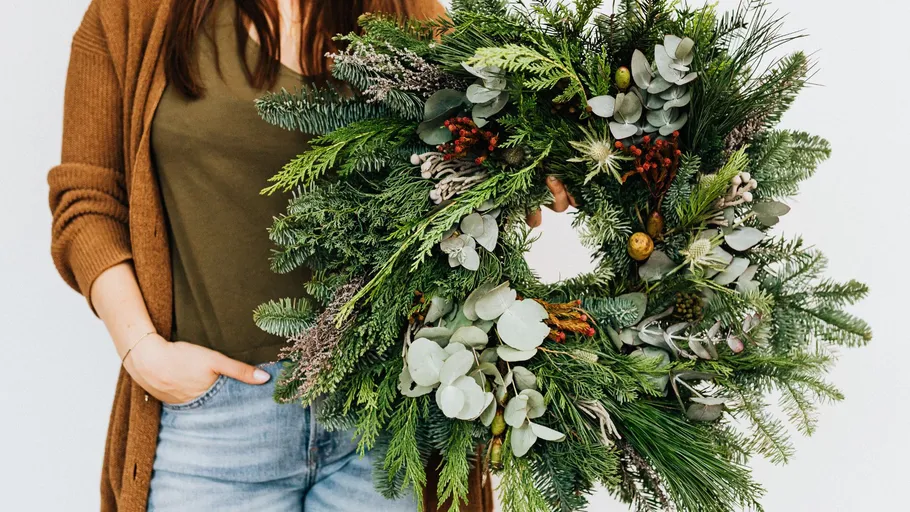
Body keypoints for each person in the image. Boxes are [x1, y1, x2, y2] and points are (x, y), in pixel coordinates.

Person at [48, 0, 574, 510]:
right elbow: (88, 202)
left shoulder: (405, 11)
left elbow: (467, 160)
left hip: (382, 415)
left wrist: (522, 174)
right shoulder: (133, 13)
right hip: (214, 425)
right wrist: (143, 351)